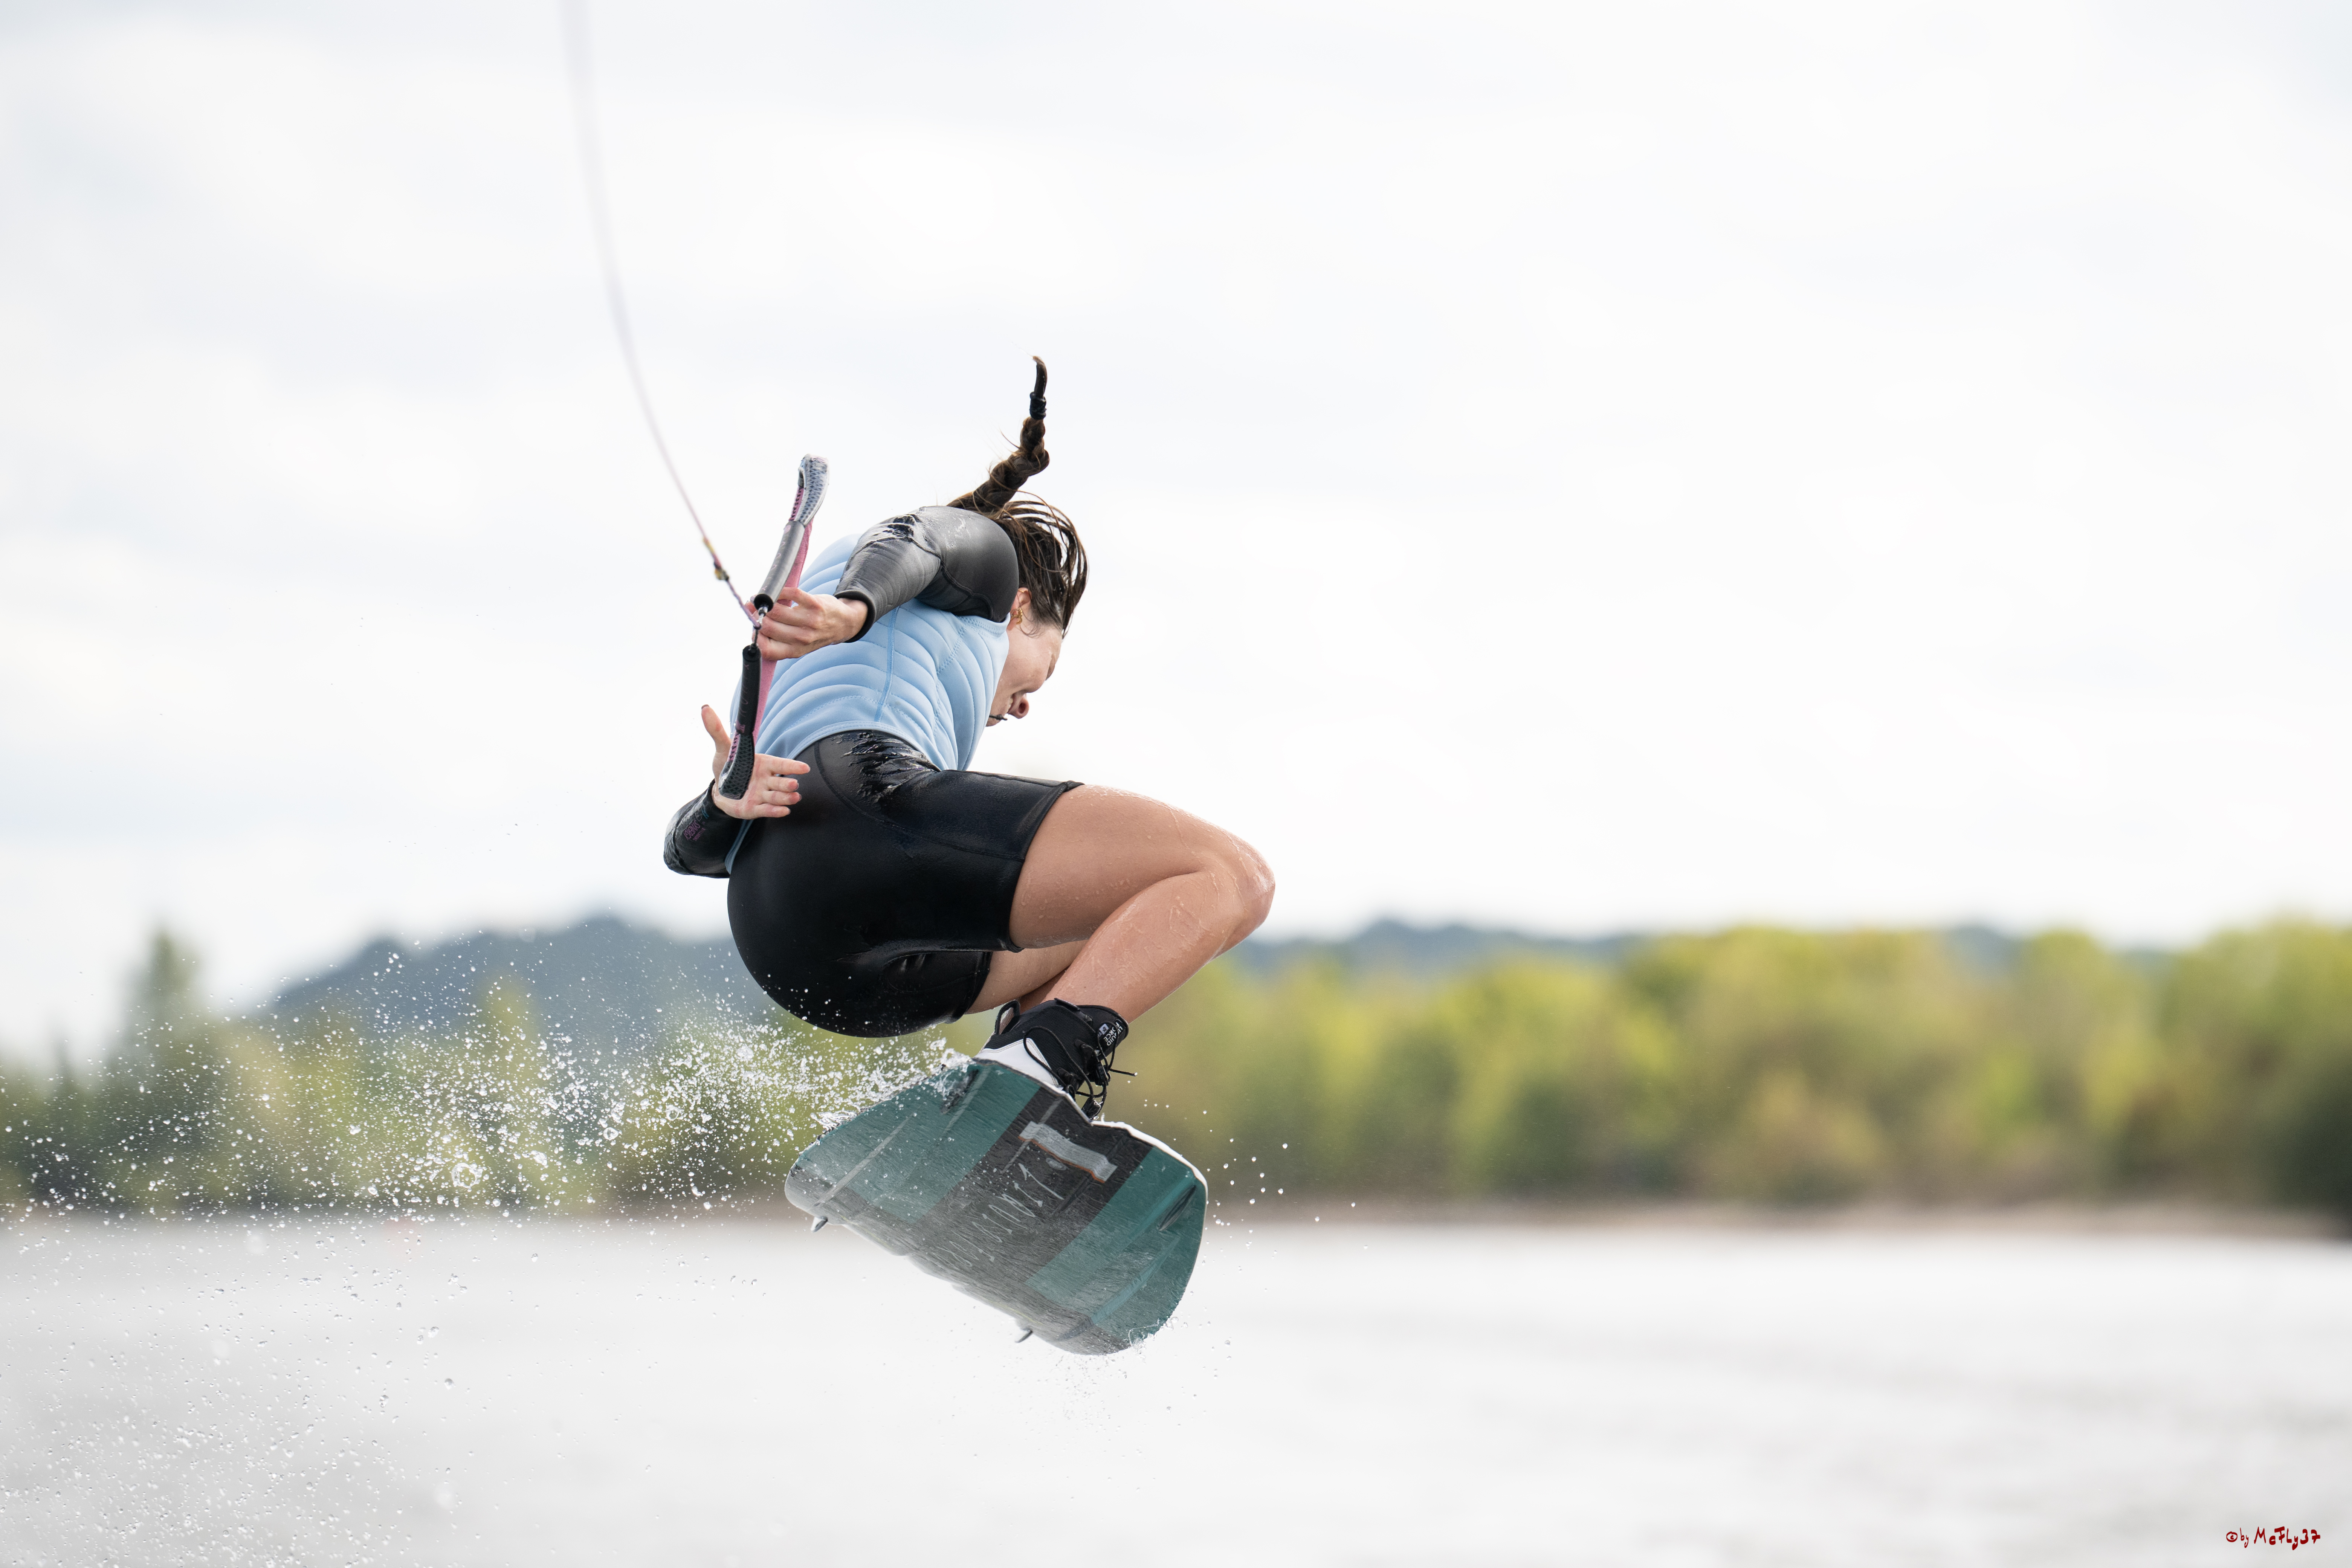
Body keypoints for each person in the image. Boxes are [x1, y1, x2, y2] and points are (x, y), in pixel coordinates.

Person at [662, 362, 1274, 1120]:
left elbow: (688, 852)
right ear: (1018, 611)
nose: (1019, 711)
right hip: (866, 817)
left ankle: (1015, 1111)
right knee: (1232, 878)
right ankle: (1034, 1072)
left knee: (1124, 928)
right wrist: (853, 612)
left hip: (792, 948)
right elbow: (915, 538)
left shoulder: (814, 650)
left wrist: (721, 803)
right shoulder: (983, 566)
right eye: (1034, 681)